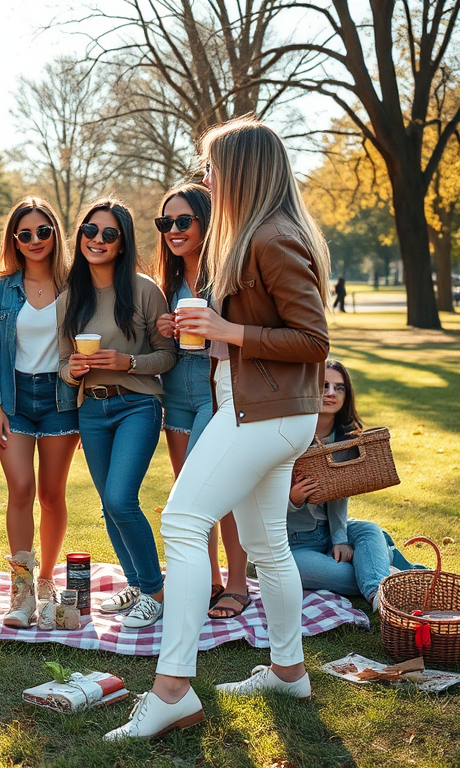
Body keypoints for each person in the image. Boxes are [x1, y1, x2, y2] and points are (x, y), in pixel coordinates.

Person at [106, 117, 330, 740]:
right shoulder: (252, 235)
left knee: (181, 521)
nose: (205, 179)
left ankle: (172, 688)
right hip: (264, 410)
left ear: (240, 171)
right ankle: (289, 671)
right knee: (267, 548)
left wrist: (227, 331)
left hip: (268, 413)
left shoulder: (274, 237)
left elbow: (314, 340)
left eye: (211, 168)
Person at [57, 197, 177, 629]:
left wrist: (127, 363)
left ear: (122, 243)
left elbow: (168, 355)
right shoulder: (70, 298)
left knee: (122, 499)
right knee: (110, 507)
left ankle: (155, 591)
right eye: (90, 231)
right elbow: (60, 363)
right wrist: (72, 371)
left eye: (109, 233)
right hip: (92, 411)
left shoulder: (144, 290)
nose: (98, 239)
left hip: (137, 405)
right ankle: (136, 585)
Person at [153, 182, 250, 620]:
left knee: (218, 491)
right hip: (177, 389)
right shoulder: (168, 280)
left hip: (217, 386)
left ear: (206, 223)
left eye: (183, 221)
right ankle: (209, 579)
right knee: (186, 487)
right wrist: (163, 328)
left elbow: (242, 331)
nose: (174, 230)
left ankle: (237, 583)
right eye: (166, 222)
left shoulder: (228, 273)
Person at [0, 197, 79, 627]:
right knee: (20, 488)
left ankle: (45, 581)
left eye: (44, 231)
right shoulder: (2, 289)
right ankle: (20, 592)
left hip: (61, 397)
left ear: (55, 235)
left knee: (52, 493)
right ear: (15, 241)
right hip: (17, 399)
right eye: (26, 234)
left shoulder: (74, 284)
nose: (36, 239)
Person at [288, 360, 424, 608]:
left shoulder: (346, 439)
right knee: (332, 575)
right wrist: (293, 501)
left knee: (369, 529)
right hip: (292, 544)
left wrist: (340, 539)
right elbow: (258, 498)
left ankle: (377, 597)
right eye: (324, 385)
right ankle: (386, 568)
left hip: (329, 531)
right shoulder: (287, 434)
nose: (331, 393)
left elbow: (341, 493)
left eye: (339, 388)